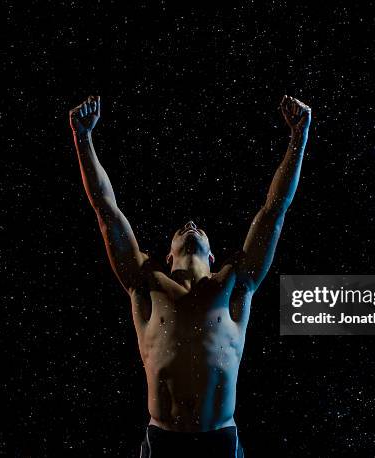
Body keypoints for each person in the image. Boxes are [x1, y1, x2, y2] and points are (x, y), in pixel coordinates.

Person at [69, 94, 311, 457]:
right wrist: (82, 137)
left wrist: (299, 137)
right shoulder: (145, 282)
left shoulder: (235, 281)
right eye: (182, 228)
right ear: (168, 256)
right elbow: (105, 209)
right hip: (164, 440)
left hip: (219, 440)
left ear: (212, 255)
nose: (191, 224)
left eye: (197, 227)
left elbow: (274, 210)